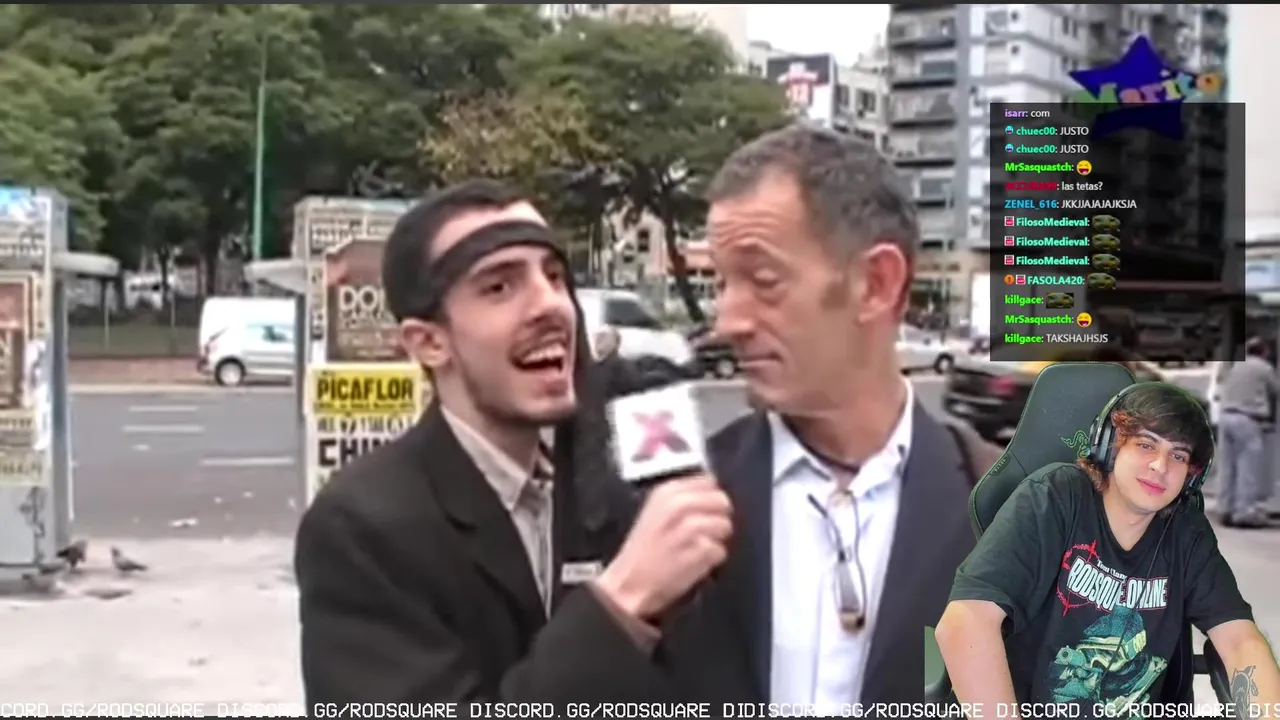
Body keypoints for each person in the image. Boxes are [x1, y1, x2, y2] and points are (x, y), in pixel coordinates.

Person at [294, 179, 732, 704]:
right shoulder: (363, 528)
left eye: (554, 277)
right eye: (500, 287)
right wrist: (623, 599)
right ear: (429, 343)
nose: (551, 305)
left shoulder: (612, 475)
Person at [661, 124, 1003, 711]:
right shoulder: (677, 502)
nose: (727, 321)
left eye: (763, 281)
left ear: (876, 284)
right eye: (721, 282)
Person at [937, 382, 1280, 718]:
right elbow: (967, 622)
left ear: (1191, 477)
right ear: (1109, 447)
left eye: (1178, 455)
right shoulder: (1055, 498)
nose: (1160, 466)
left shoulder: (1186, 532)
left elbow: (1240, 640)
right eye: (1146, 445)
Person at [1217, 336, 1278, 528]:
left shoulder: (1236, 366)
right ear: (1264, 351)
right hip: (1247, 420)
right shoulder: (1264, 368)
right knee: (1247, 467)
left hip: (1226, 417)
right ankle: (1244, 512)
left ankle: (1225, 508)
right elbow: (1276, 390)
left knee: (1228, 467)